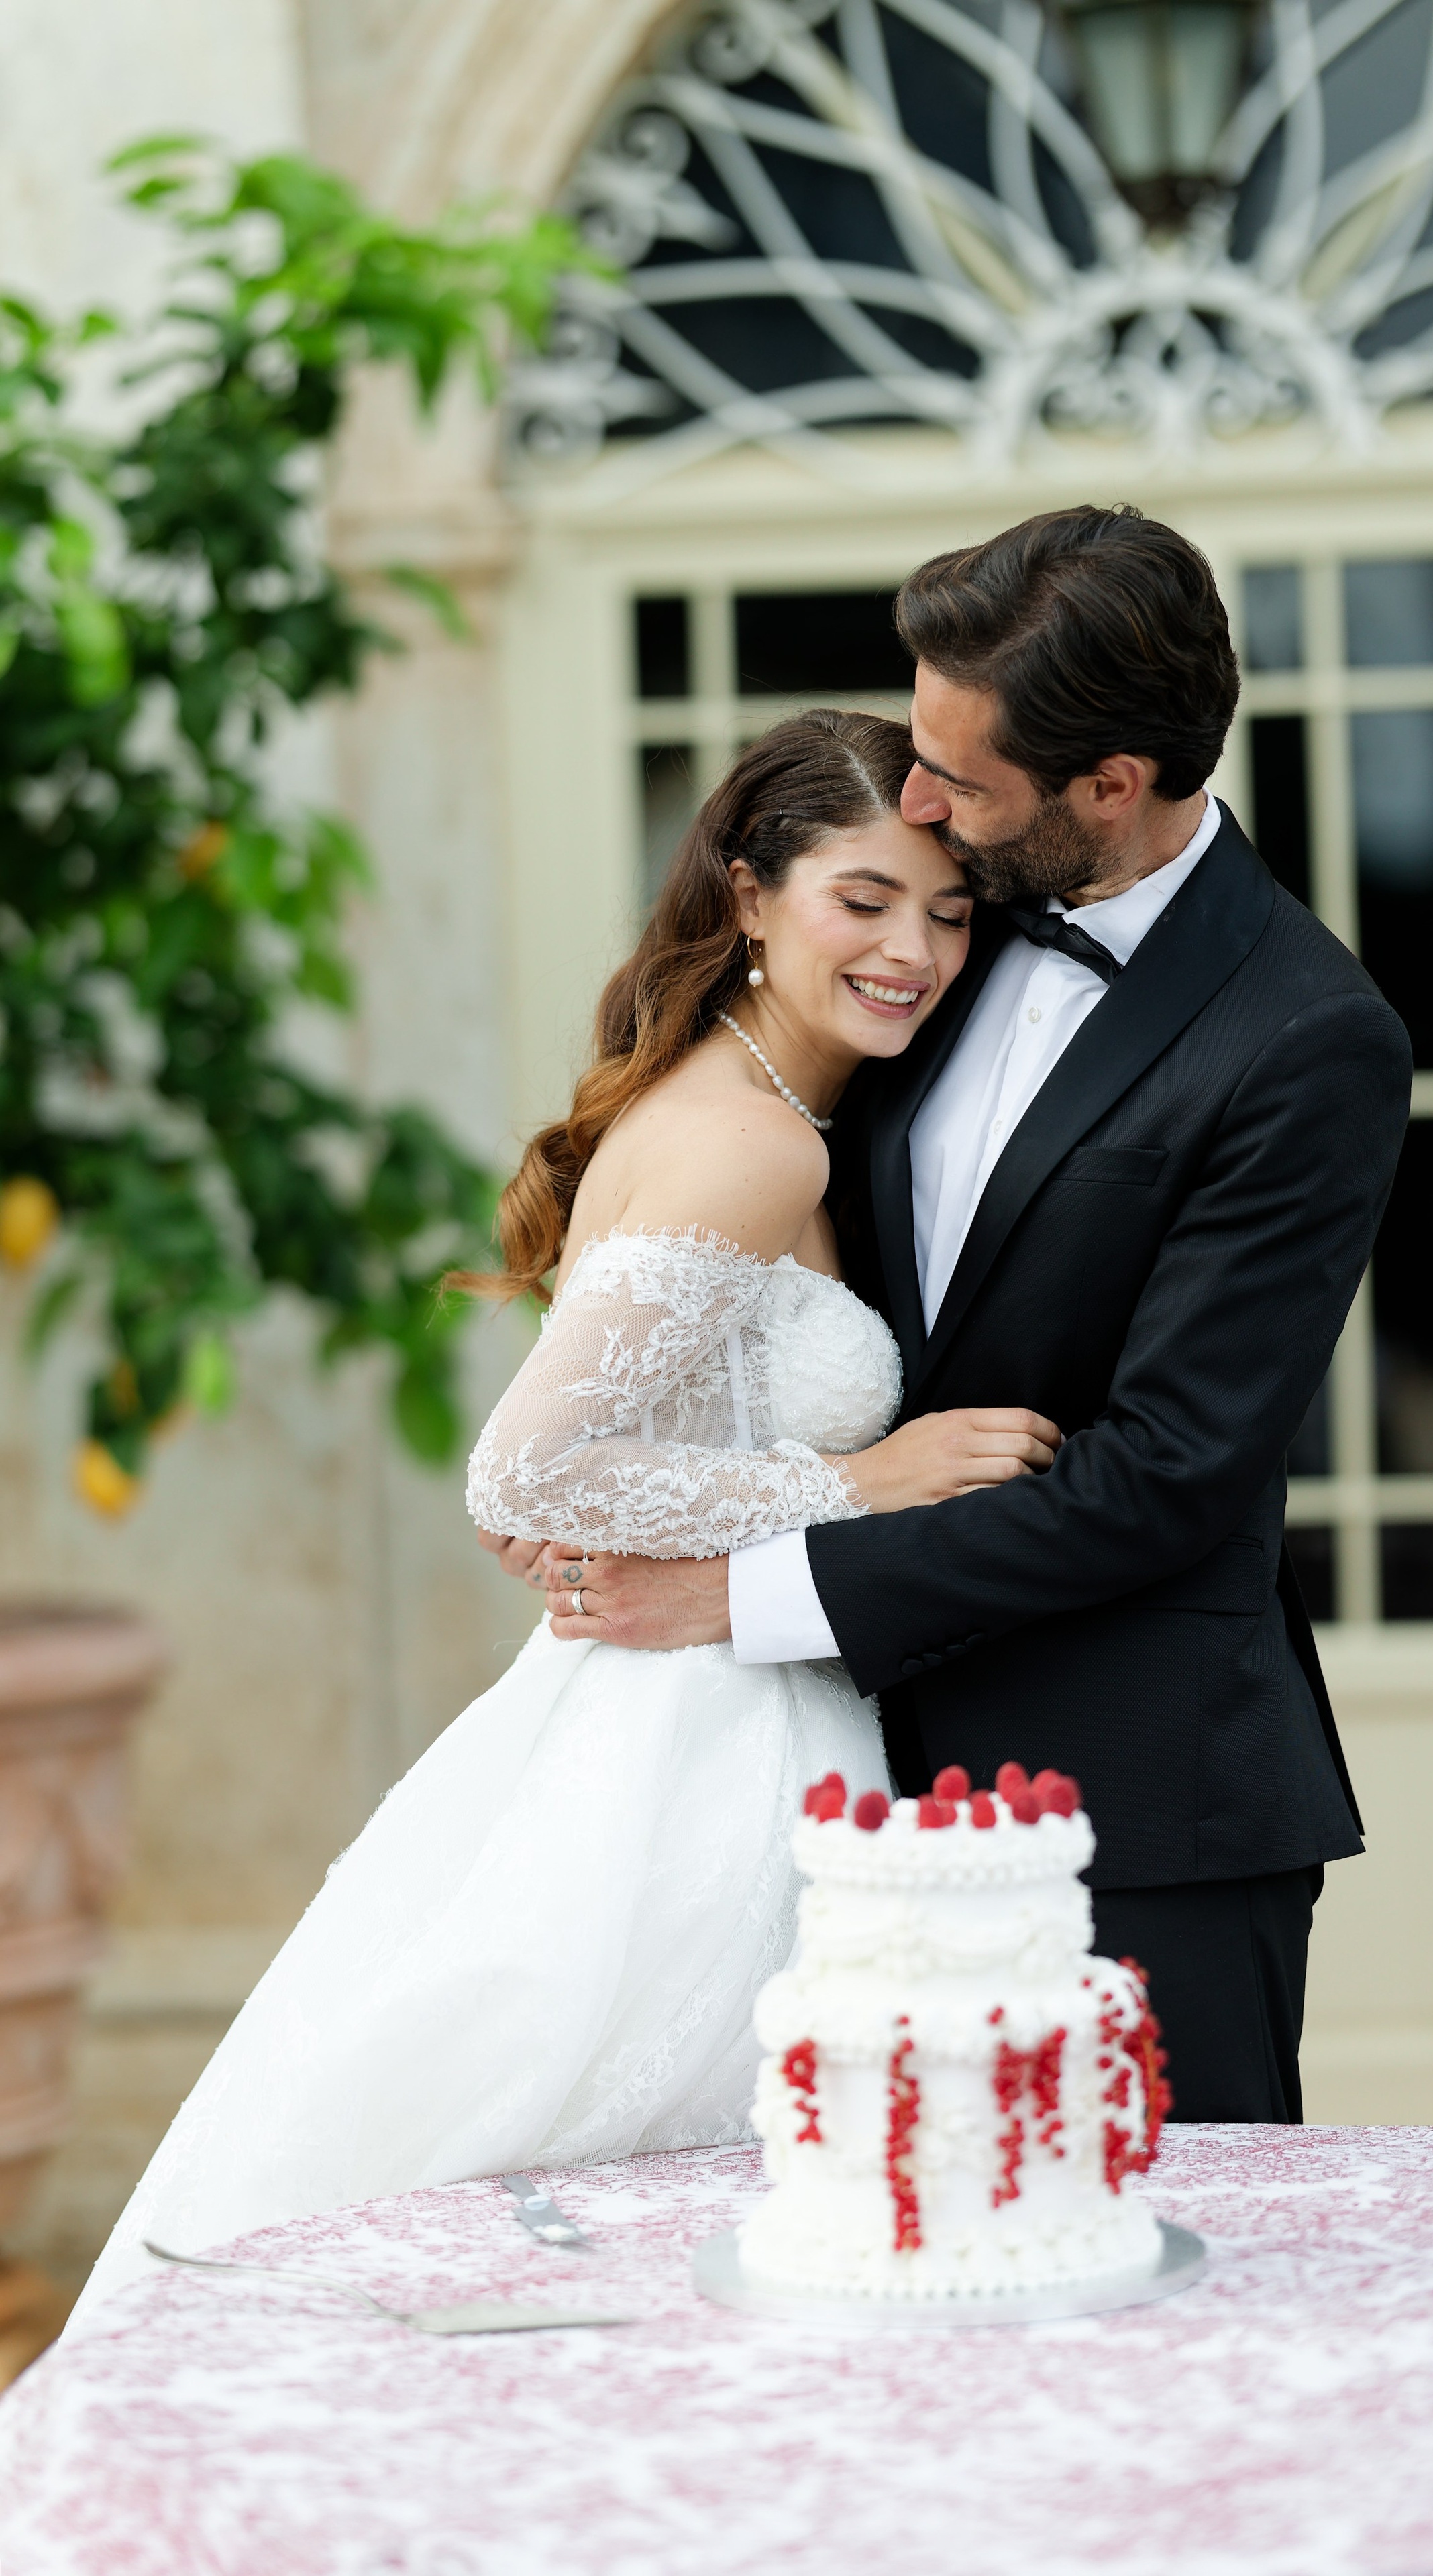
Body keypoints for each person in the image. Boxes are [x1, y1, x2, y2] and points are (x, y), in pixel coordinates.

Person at [65, 709, 1060, 2333]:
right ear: (750, 897)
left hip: (705, 1695)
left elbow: (611, 1456)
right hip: (697, 1746)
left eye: (949, 914)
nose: (914, 950)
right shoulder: (741, 1139)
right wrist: (856, 1482)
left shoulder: (765, 1115)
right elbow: (521, 1471)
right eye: (862, 900)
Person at [505, 506, 1414, 2125]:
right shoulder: (933, 927)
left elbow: (1163, 1474)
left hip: (1129, 1817)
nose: (916, 805)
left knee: (1148, 2306)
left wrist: (748, 1591)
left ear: (1109, 787)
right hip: (826, 1787)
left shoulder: (1307, 1037)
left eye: (960, 781)